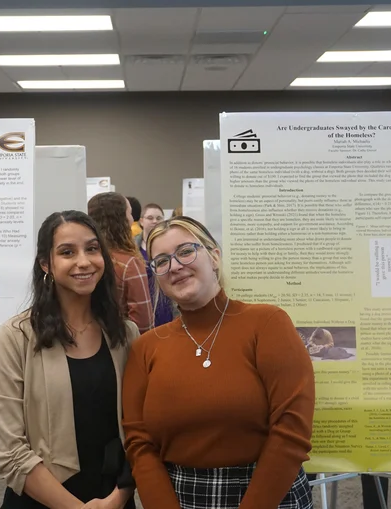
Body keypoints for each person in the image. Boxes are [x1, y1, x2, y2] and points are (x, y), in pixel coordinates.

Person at [122, 216, 314, 509]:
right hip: (180, 497)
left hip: (269, 495)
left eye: (186, 251)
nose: (174, 266)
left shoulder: (268, 324)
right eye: (161, 261)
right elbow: (139, 443)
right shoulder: (145, 348)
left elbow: (291, 431)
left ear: (214, 257)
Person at [0, 210, 140, 509]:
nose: (84, 261)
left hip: (113, 499)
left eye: (92, 249)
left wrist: (120, 497)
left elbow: (138, 431)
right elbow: (9, 448)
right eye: (67, 252)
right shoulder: (16, 337)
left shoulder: (125, 334)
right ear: (46, 264)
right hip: (40, 499)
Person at [88, 192, 153, 333]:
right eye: (129, 213)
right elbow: (143, 322)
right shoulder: (129, 264)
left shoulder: (85, 261)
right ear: (122, 220)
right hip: (121, 346)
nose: (132, 218)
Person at [134, 203, 175, 327]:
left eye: (159, 218)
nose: (155, 221)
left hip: (166, 303)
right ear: (141, 221)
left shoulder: (171, 245)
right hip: (142, 303)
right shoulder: (132, 247)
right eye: (150, 218)